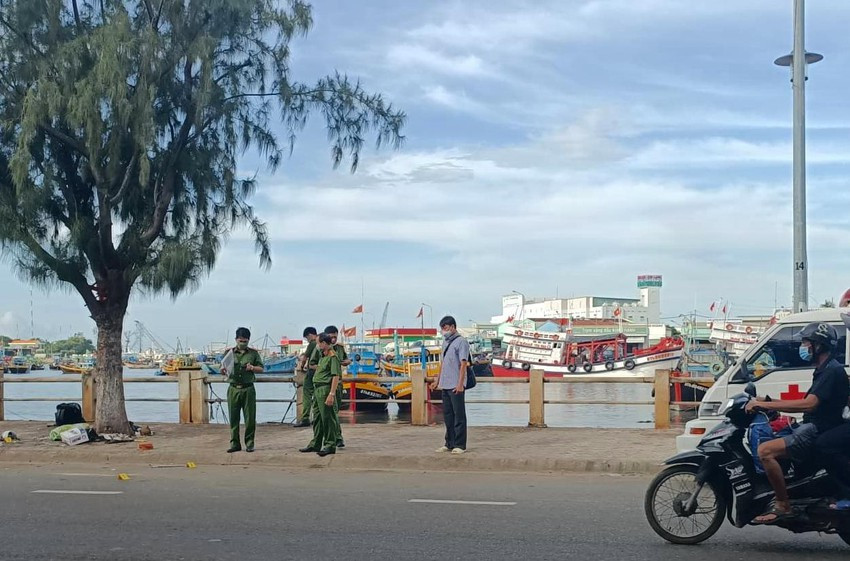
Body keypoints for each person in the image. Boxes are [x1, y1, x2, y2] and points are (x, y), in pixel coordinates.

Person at [745, 322, 848, 523]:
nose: (802, 347)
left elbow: (809, 404)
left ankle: (783, 504)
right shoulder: (822, 369)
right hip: (813, 426)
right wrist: (766, 402)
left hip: (818, 430)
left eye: (806, 342)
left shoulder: (831, 371)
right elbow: (805, 400)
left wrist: (770, 406)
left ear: (818, 345)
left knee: (766, 451)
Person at [431, 315, 470, 454]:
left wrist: (460, 384)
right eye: (442, 329)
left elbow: (463, 364)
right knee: (447, 415)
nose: (444, 331)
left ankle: (460, 444)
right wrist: (437, 381)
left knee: (458, 415)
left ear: (453, 327)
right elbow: (443, 364)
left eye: (446, 328)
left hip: (456, 384)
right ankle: (449, 443)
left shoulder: (461, 342)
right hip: (445, 384)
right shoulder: (445, 343)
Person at [222, 327, 264, 453]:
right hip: (233, 388)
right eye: (240, 341)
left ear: (248, 340)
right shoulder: (229, 353)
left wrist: (252, 368)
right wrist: (223, 370)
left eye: (245, 341)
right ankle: (235, 443)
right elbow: (222, 368)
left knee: (250, 418)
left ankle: (249, 443)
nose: (242, 343)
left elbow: (261, 368)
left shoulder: (253, 353)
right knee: (233, 417)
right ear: (236, 340)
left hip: (248, 389)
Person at [298, 333, 341, 456]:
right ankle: (315, 443)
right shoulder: (323, 356)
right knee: (317, 418)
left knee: (328, 418)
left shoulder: (333, 357)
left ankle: (329, 444)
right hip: (317, 390)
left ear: (324, 343)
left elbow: (335, 376)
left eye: (318, 343)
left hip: (325, 390)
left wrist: (331, 394)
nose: (317, 345)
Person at [292, 327, 318, 428]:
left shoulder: (312, 344)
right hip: (320, 373)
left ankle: (305, 418)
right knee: (317, 396)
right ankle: (316, 417)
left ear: (310, 335)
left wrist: (302, 367)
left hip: (311, 372)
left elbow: (305, 358)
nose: (307, 340)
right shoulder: (321, 343)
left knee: (307, 395)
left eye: (307, 337)